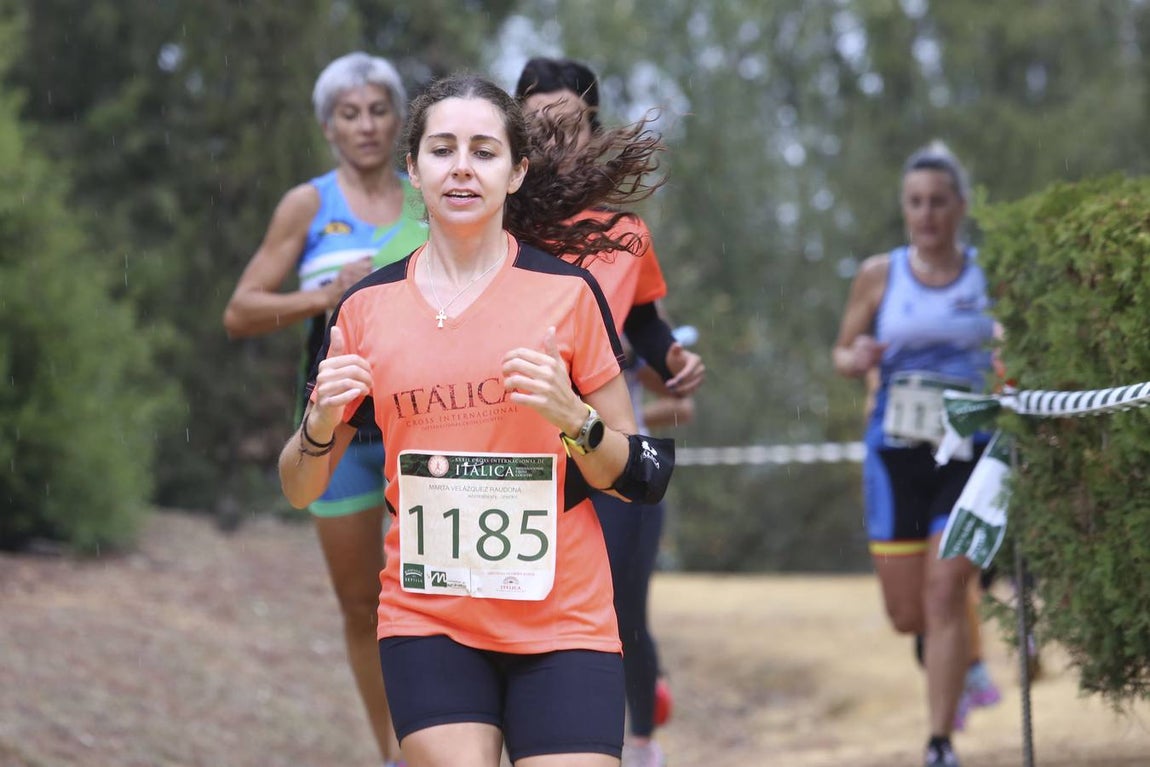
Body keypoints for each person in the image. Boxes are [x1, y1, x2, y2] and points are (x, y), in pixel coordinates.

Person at [278, 73, 677, 767]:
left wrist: (576, 420)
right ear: (413, 167)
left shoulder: (567, 294)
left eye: (484, 150)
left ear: (517, 170)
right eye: (442, 148)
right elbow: (299, 486)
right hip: (430, 616)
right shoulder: (366, 309)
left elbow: (636, 477)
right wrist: (319, 424)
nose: (462, 166)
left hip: (563, 617)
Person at [223, 52, 426, 767]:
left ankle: (447, 742)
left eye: (378, 110)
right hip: (335, 429)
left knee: (434, 600)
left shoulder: (428, 198)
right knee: (361, 606)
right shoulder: (308, 204)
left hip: (421, 421)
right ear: (327, 126)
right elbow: (241, 310)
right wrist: (325, 295)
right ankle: (393, 752)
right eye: (350, 113)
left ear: (400, 120)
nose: (365, 126)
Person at [515, 57, 705, 767]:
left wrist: (674, 360)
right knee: (528, 599)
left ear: (593, 131)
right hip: (517, 445)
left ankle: (640, 741)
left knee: (621, 602)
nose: (556, 141)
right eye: (538, 128)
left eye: (569, 125)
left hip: (610, 434)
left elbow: (648, 325)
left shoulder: (624, 233)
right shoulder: (498, 228)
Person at [832, 141, 997, 767]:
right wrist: (860, 358)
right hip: (896, 453)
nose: (926, 215)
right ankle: (955, 658)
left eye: (938, 202)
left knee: (947, 585)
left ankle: (939, 742)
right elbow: (843, 352)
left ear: (960, 207)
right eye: (915, 203)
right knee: (910, 614)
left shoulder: (988, 273)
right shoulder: (880, 274)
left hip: (968, 449)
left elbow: (1018, 341)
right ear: (905, 210)